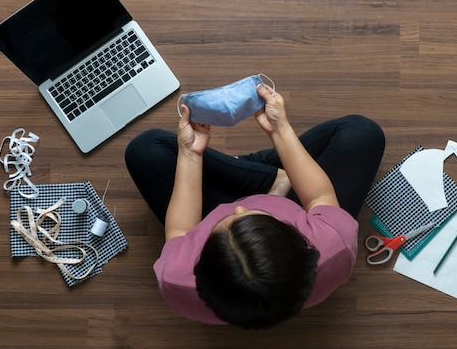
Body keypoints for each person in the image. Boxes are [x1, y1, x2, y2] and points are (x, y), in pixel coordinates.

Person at [125, 84, 385, 329]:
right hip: (289, 195)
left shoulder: (176, 279)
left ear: (199, 266)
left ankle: (258, 172)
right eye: (251, 215)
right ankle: (269, 176)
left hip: (217, 198)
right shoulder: (333, 243)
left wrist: (191, 153)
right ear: (303, 241)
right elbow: (318, 196)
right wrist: (279, 129)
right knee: (362, 132)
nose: (238, 209)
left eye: (220, 226)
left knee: (145, 149)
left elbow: (181, 229)